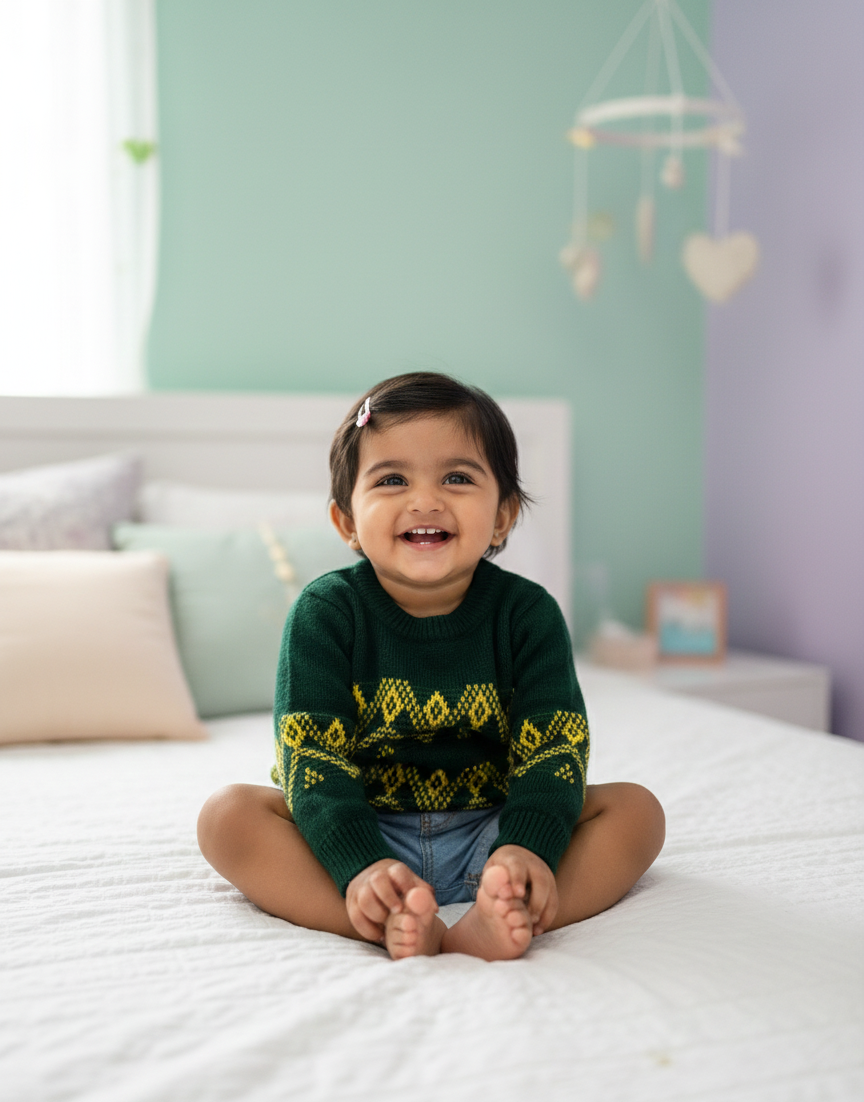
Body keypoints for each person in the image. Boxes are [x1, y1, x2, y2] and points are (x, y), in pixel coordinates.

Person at [198, 372, 665, 961]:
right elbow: (312, 759)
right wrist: (361, 866)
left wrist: (527, 849)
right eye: (392, 479)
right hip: (363, 829)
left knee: (636, 812)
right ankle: (373, 915)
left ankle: (508, 908)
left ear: (502, 517)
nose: (425, 499)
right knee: (228, 817)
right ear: (346, 522)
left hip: (492, 832)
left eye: (457, 477)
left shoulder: (528, 615)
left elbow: (553, 751)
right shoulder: (325, 614)